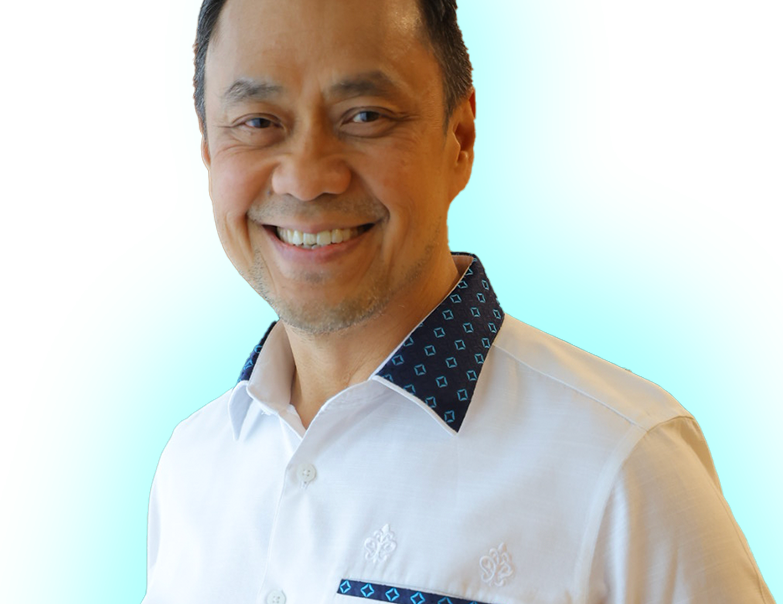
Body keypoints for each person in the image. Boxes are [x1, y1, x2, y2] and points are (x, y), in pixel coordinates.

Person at [143, 0, 774, 602]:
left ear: (460, 137)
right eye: (257, 123)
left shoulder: (626, 463)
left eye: (365, 116)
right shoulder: (191, 464)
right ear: (207, 149)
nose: (307, 178)